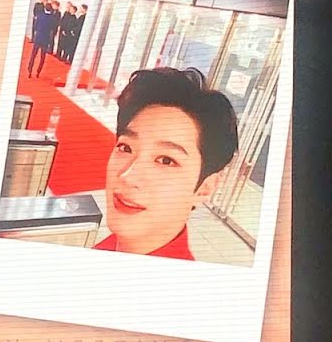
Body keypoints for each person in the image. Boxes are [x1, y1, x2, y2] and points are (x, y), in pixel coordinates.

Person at [97, 67, 238, 260]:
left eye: (166, 160)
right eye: (126, 148)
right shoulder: (111, 245)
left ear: (204, 189)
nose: (128, 176)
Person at [27, 1, 55, 78]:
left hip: (38, 38)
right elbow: (52, 29)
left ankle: (30, 70)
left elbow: (35, 27)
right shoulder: (52, 18)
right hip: (45, 39)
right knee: (42, 57)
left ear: (45, 8)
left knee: (33, 55)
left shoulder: (40, 16)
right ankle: (38, 72)